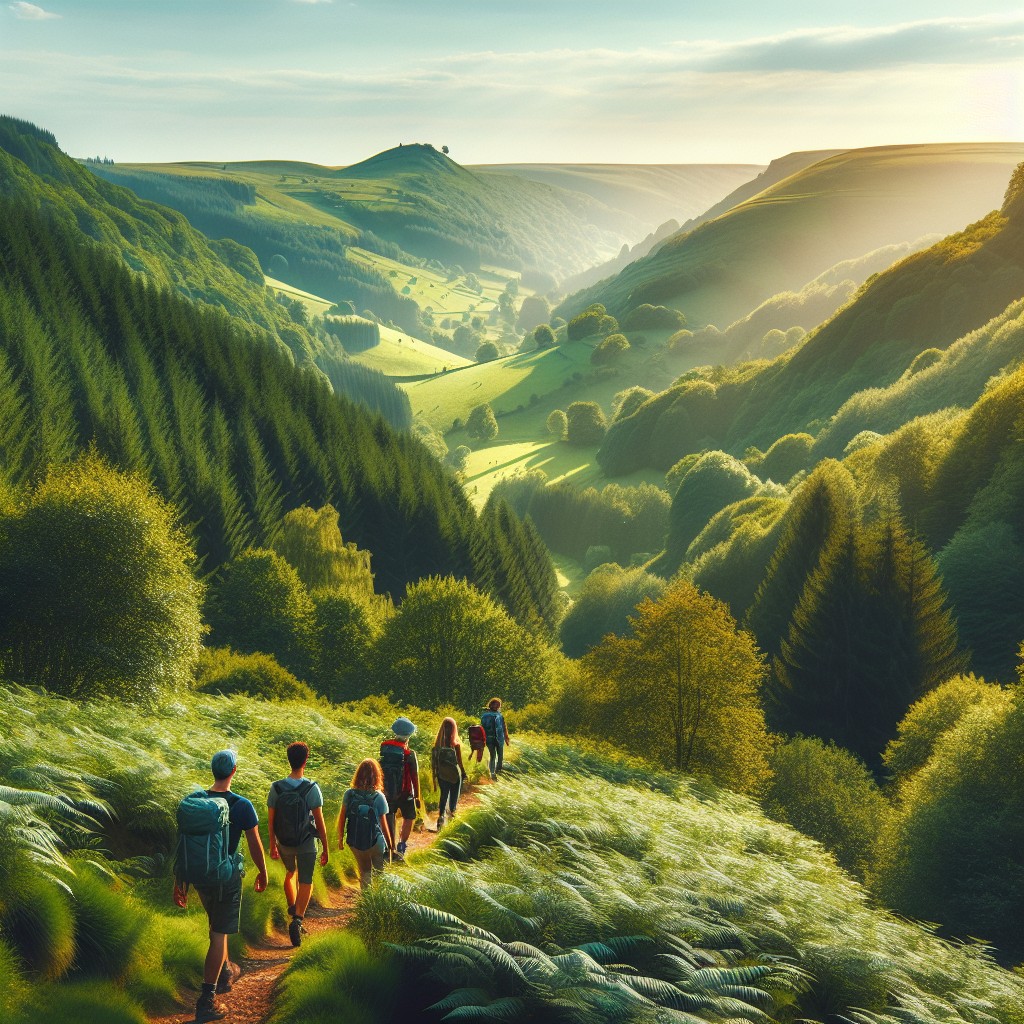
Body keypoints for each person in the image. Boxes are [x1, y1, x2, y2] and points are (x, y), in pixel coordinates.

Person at [173, 749, 268, 1024]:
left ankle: (225, 972)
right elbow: (254, 842)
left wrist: (178, 882)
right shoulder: (241, 804)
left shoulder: (197, 803)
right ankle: (207, 1001)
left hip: (199, 876)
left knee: (216, 925)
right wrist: (262, 871)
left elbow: (182, 844)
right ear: (234, 771)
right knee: (218, 933)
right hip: (226, 878)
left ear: (213, 770)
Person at [267, 741, 329, 947]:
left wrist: (273, 844)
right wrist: (326, 848)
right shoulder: (312, 788)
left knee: (290, 874)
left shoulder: (276, 788)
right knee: (306, 880)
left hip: (284, 841)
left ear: (289, 760)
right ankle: (298, 919)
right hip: (306, 842)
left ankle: (292, 906)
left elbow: (271, 820)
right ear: (306, 760)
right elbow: (319, 823)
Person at [338, 758, 394, 889]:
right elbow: (383, 824)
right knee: (379, 872)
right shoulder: (378, 796)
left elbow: (342, 818)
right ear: (377, 776)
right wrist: (390, 844)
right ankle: (378, 902)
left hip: (355, 841)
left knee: (365, 872)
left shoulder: (349, 794)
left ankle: (366, 900)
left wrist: (340, 839)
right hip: (375, 841)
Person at [379, 716, 420, 860]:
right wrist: (417, 796)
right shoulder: (410, 754)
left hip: (388, 792)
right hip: (405, 792)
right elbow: (415, 777)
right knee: (409, 817)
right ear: (409, 735)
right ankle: (401, 847)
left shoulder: (384, 747)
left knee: (390, 817)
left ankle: (389, 849)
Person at [431, 717, 468, 829]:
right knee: (454, 797)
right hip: (455, 775)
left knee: (443, 795)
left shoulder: (437, 746)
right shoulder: (455, 745)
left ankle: (441, 816)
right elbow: (459, 762)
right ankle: (451, 817)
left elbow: (433, 764)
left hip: (442, 775)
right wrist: (464, 773)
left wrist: (434, 777)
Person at [480, 698, 511, 780]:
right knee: (492, 755)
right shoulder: (485, 715)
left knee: (500, 756)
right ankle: (492, 773)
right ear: (491, 704)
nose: (497, 706)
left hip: (500, 739)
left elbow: (504, 727)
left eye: (498, 704)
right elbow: (482, 727)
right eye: (495, 704)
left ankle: (499, 771)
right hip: (489, 739)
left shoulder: (500, 715)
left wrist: (506, 738)